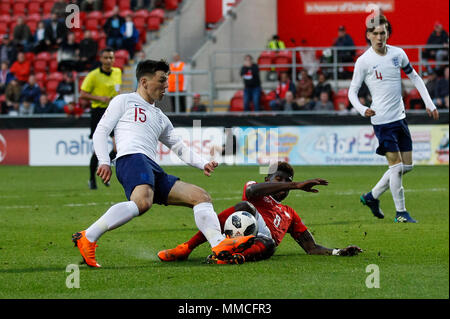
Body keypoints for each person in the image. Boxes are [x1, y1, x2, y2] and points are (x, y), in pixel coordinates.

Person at [72, 59, 256, 267]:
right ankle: (88, 236)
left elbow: (179, 147)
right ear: (143, 81)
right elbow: (101, 131)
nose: (166, 87)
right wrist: (104, 161)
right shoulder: (124, 101)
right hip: (131, 158)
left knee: (201, 197)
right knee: (142, 202)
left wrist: (202, 163)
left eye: (167, 82)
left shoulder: (160, 117)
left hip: (150, 166)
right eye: (161, 81)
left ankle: (219, 247)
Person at [158, 161, 363, 264]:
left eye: (287, 180)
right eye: (278, 179)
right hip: (243, 229)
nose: (282, 184)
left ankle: (230, 258)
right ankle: (186, 248)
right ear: (268, 180)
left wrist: (338, 251)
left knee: (269, 243)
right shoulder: (256, 189)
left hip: (262, 244)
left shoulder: (289, 213)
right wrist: (296, 184)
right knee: (244, 207)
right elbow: (250, 192)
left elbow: (311, 247)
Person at [348, 14, 440, 223]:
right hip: (381, 121)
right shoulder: (364, 61)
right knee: (396, 167)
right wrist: (363, 109)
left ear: (388, 33)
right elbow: (352, 92)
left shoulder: (398, 54)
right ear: (368, 35)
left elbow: (415, 77)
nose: (379, 37)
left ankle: (371, 197)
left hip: (400, 117)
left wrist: (429, 102)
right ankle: (401, 213)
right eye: (375, 33)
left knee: (407, 166)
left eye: (383, 33)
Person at [80, 47, 122, 190]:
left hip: (113, 111)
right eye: (106, 58)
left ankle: (104, 171)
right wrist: (99, 98)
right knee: (98, 149)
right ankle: (92, 178)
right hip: (98, 112)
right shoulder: (93, 75)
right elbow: (82, 94)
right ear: (101, 59)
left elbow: (118, 90)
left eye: (111, 57)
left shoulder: (118, 72)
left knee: (118, 148)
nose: (109, 60)